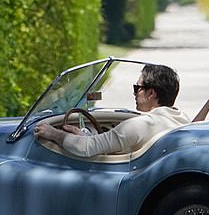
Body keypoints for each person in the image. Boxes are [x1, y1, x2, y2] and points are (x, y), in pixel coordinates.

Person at [34, 63, 190, 157]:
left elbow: (87, 148)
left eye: (137, 88)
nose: (134, 93)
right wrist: (83, 135)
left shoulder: (139, 125)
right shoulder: (182, 119)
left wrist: (53, 133)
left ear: (151, 93)